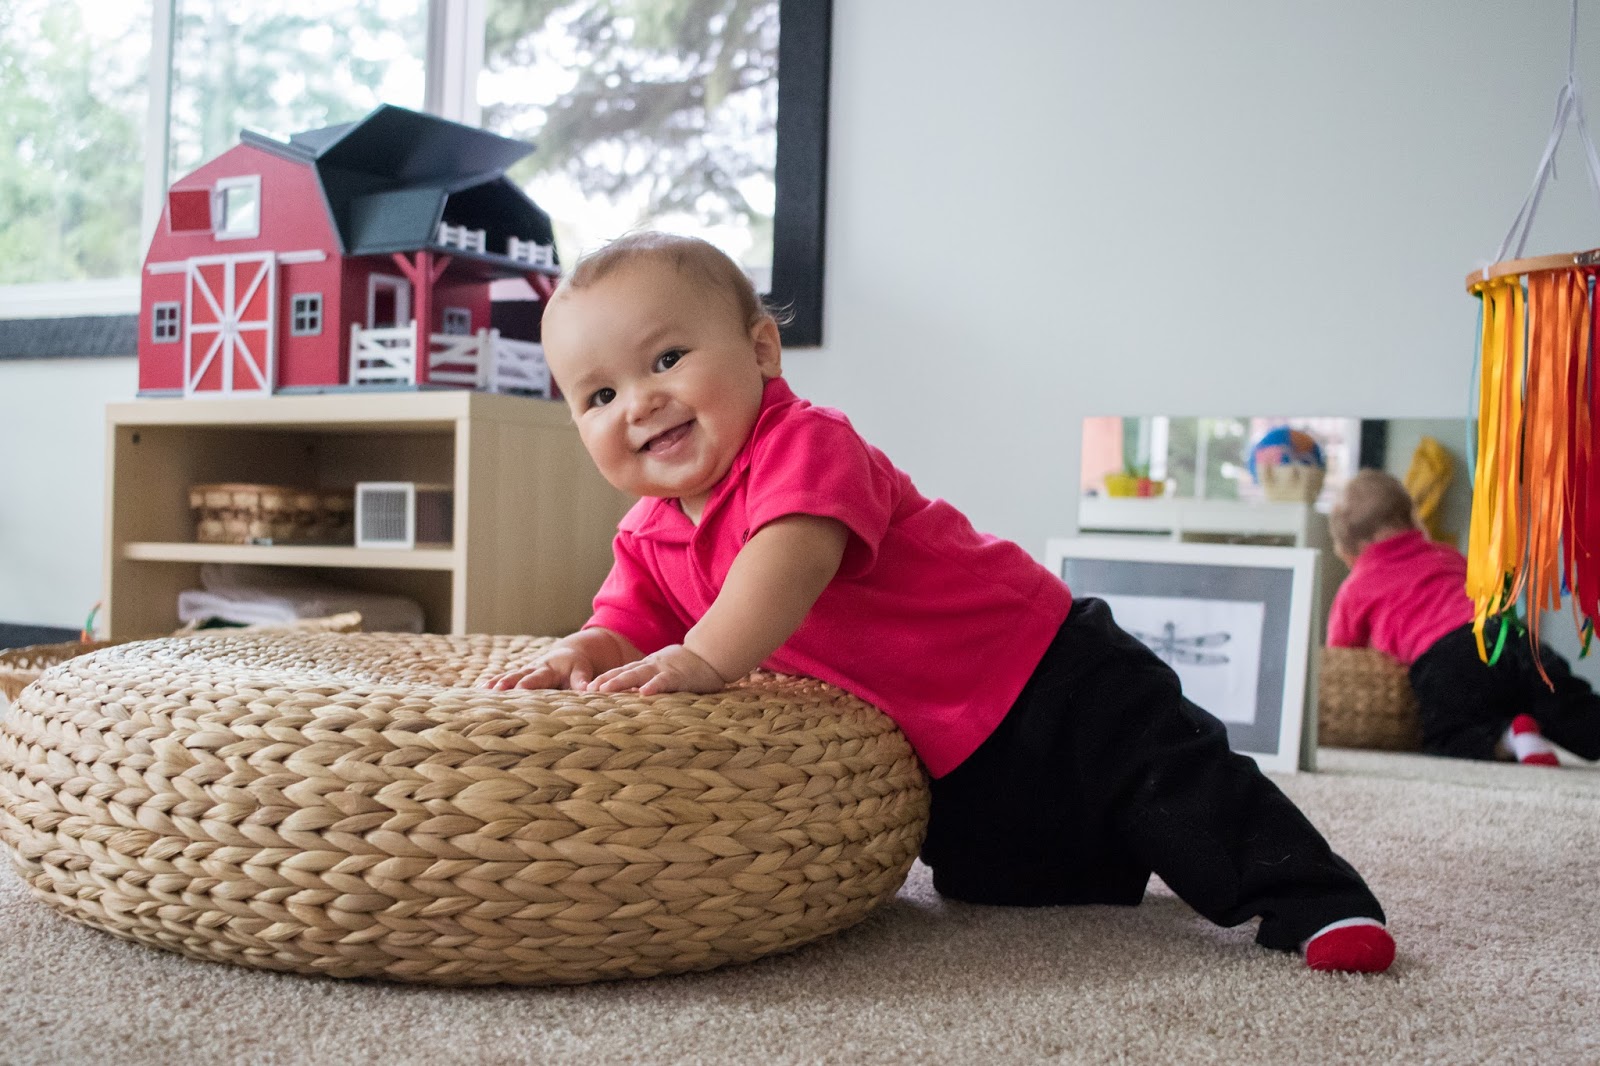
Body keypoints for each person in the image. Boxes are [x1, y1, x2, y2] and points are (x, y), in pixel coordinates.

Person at [485, 231, 1395, 974]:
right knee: (1003, 879)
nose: (640, 403)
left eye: (668, 358)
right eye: (599, 394)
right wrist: (587, 650)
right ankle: (1113, 848)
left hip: (1044, 664)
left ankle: (1315, 901)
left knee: (1177, 787)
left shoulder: (802, 443)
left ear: (761, 350)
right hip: (946, 736)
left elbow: (788, 561)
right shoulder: (650, 531)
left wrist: (703, 659)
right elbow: (626, 616)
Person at [1327, 468, 1600, 766]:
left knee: (1446, 734)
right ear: (1412, 520)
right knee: (1565, 702)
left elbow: (1341, 658)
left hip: (1446, 657)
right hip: (1507, 635)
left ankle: (1510, 736)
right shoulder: (1446, 555)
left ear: (1353, 549)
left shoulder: (1355, 587)